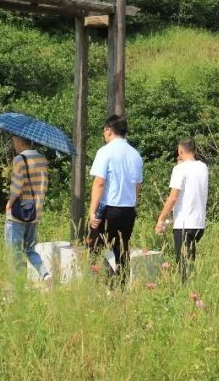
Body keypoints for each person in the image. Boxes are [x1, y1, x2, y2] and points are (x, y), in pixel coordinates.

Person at [87, 114, 143, 286]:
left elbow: (99, 182)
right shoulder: (135, 154)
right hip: (128, 209)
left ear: (108, 130)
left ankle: (101, 284)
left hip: (108, 208)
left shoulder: (105, 151)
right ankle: (121, 286)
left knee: (94, 247)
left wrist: (92, 211)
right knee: (122, 249)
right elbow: (138, 186)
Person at [155, 138, 208, 281]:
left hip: (184, 224)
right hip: (199, 223)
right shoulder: (203, 167)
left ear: (180, 151)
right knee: (189, 260)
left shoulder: (179, 169)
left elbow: (173, 197)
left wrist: (160, 219)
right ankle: (191, 288)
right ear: (195, 150)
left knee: (183, 265)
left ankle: (188, 293)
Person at [4, 135, 51, 281]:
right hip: (35, 212)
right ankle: (45, 274)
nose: (14, 144)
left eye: (14, 141)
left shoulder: (19, 160)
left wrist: (9, 203)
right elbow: (44, 185)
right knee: (30, 249)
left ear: (19, 141)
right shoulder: (42, 159)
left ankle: (18, 286)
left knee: (14, 252)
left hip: (18, 213)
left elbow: (17, 188)